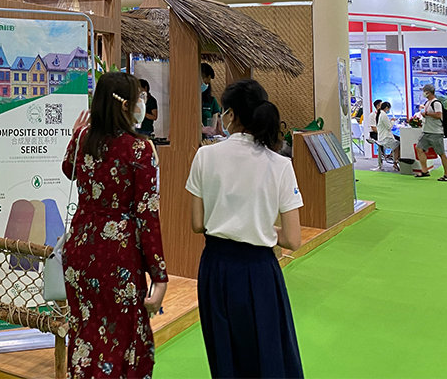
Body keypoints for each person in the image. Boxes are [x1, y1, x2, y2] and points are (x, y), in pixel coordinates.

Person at [186, 79, 304, 378]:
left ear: (230, 114)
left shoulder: (204, 156)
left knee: (224, 353)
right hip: (259, 269)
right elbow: (293, 239)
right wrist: (261, 227)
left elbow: (198, 224)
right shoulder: (280, 164)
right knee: (268, 352)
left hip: (215, 267)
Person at [62, 72, 168, 379]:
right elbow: (147, 215)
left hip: (80, 248)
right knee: (123, 337)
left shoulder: (83, 138)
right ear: (125, 105)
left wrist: (75, 135)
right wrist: (159, 275)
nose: (141, 104)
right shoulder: (139, 149)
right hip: (119, 255)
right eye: (138, 99)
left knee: (85, 334)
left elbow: (68, 169)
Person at [414, 84, 447, 181]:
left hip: (436, 132)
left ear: (428, 92)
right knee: (419, 148)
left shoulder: (436, 103)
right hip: (426, 131)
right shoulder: (427, 102)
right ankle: (424, 170)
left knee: (441, 153)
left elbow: (439, 115)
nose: (423, 93)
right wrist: (424, 114)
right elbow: (428, 114)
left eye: (424, 91)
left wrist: (427, 114)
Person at [374, 101, 399, 170]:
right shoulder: (383, 115)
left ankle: (393, 158)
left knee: (396, 144)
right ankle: (395, 162)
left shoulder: (380, 114)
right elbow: (389, 127)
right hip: (385, 138)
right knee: (398, 145)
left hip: (382, 137)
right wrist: (392, 121)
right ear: (387, 108)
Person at [201, 62, 222, 134]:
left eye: (208, 82)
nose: (207, 83)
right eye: (206, 80)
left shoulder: (212, 101)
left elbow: (213, 125)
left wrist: (211, 132)